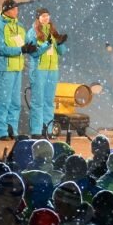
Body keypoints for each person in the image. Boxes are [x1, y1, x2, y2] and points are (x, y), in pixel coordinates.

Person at [0, 0, 34, 140]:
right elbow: (1, 48)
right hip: (5, 68)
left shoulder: (19, 27)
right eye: (14, 9)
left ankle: (12, 129)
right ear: (7, 10)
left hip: (17, 68)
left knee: (15, 102)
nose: (17, 11)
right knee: (3, 101)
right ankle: (1, 131)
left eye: (17, 8)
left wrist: (31, 47)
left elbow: (25, 44)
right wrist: (21, 49)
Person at [27, 7, 68, 138]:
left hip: (52, 70)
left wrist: (60, 43)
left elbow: (61, 52)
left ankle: (48, 129)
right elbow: (33, 53)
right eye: (43, 16)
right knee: (38, 101)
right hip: (39, 69)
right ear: (38, 18)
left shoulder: (53, 32)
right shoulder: (32, 33)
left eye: (47, 15)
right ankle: (36, 131)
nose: (46, 18)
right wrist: (46, 44)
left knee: (49, 101)